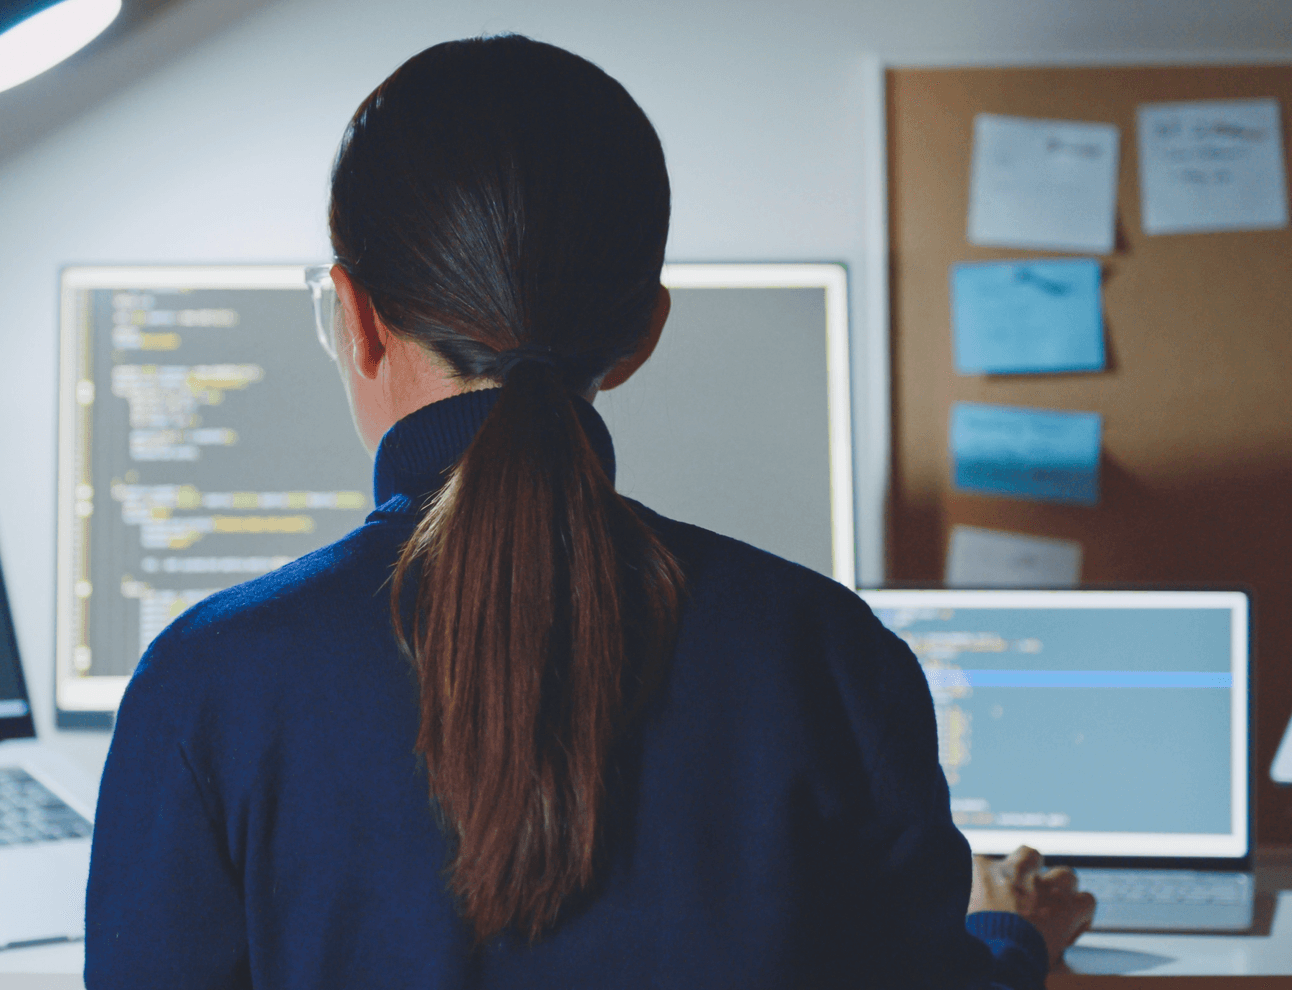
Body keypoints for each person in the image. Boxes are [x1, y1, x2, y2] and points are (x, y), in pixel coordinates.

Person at [85, 35, 1095, 989]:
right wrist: (1006, 934)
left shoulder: (208, 683)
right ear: (641, 334)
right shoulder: (825, 655)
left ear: (351, 317)